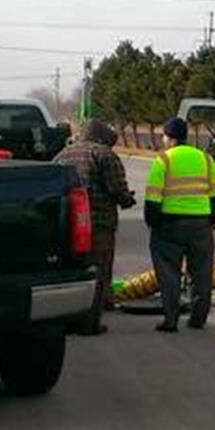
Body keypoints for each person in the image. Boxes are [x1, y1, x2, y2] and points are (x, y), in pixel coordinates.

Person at [56, 119, 134, 335]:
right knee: (99, 270)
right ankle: (90, 323)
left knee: (73, 268)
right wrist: (127, 200)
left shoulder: (63, 154)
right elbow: (117, 188)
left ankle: (68, 315)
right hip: (98, 223)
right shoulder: (104, 154)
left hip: (68, 224)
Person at [144, 116, 215, 333]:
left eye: (163, 135)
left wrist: (153, 223)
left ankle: (171, 319)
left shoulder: (164, 160)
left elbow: (153, 197)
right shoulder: (205, 159)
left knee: (169, 272)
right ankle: (198, 318)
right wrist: (211, 220)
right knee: (201, 272)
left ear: (170, 138)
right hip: (200, 224)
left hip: (170, 225)